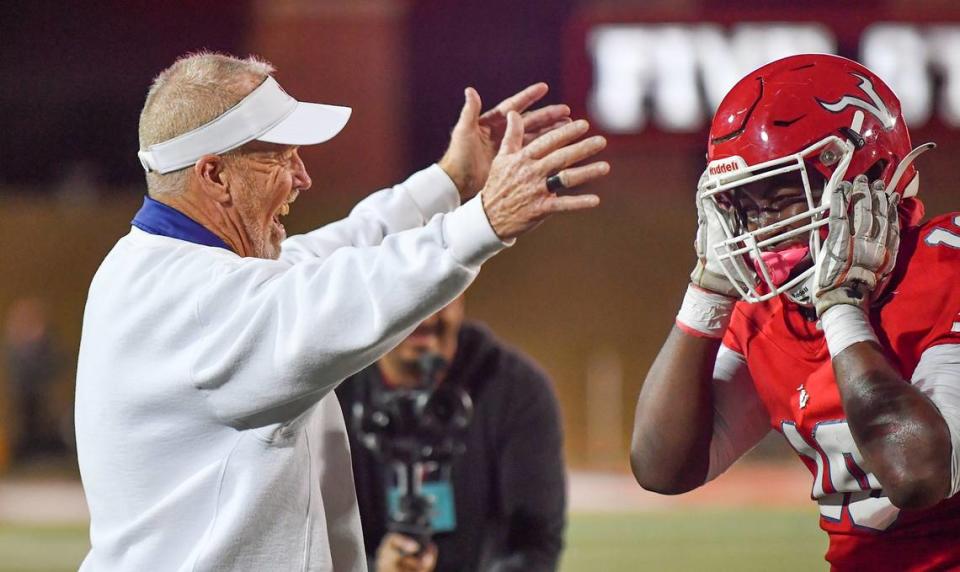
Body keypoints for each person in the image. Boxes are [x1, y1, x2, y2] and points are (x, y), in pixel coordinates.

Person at [75, 52, 608, 572]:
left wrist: (450, 181)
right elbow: (350, 291)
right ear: (214, 175)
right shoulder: (201, 303)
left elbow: (327, 255)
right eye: (280, 156)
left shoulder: (159, 267)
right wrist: (485, 221)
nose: (303, 177)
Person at [630, 53, 960, 570]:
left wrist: (842, 309)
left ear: (869, 176)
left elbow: (917, 474)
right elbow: (663, 467)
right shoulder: (769, 309)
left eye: (784, 198)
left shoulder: (947, 268)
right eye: (745, 207)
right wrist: (707, 293)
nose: (761, 232)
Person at [335, 295, 565, 572]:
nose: (426, 316)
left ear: (462, 293)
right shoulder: (330, 393)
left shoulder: (518, 390)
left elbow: (534, 544)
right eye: (409, 297)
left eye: (439, 296)